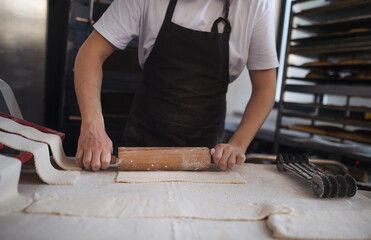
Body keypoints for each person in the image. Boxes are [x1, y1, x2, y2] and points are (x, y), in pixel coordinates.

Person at [74, 0, 278, 171]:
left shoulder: (255, 5)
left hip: (208, 157)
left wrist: (237, 144)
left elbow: (265, 88)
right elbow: (91, 53)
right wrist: (93, 126)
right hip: (142, 145)